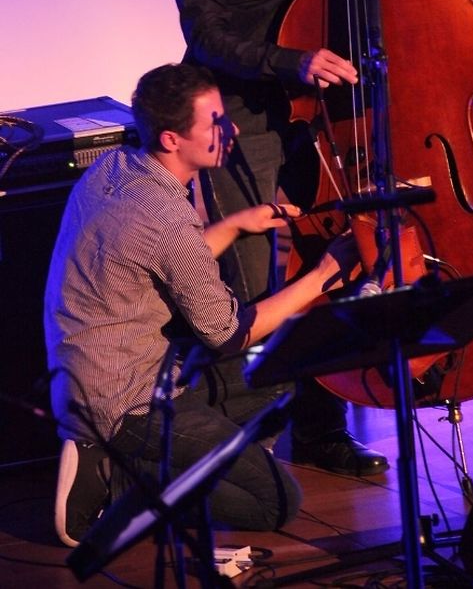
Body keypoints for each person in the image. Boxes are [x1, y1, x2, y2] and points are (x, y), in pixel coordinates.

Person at [160, 0, 427, 475]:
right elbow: (207, 36)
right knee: (249, 283)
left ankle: (320, 428)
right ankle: (242, 453)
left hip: (325, 100)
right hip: (245, 109)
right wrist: (290, 60)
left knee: (330, 260)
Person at [44, 63, 358, 546]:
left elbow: (160, 258)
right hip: (129, 404)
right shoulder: (168, 218)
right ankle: (115, 483)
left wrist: (234, 224)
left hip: (82, 376)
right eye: (215, 122)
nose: (231, 130)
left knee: (270, 387)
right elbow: (229, 334)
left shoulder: (115, 167)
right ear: (172, 139)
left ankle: (128, 456)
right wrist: (322, 277)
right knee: (276, 501)